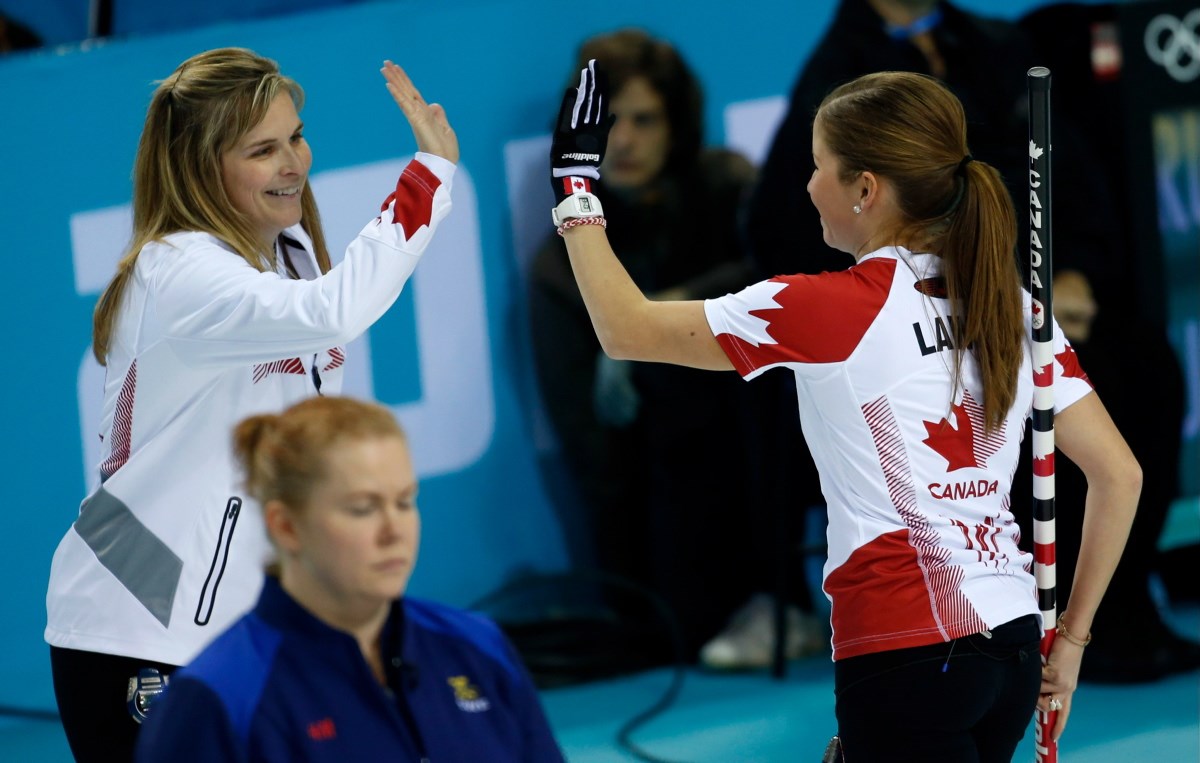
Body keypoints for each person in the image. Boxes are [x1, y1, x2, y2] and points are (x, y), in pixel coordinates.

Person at [548, 63, 1140, 760]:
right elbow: (1119, 475)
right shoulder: (1014, 307)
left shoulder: (826, 308)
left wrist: (575, 189)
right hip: (1009, 645)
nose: (806, 186)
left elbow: (624, 328)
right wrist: (1069, 640)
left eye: (818, 166)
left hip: (905, 650)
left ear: (865, 189)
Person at [45, 48, 458, 762]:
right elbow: (338, 310)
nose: (293, 162)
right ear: (203, 167)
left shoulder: (285, 251)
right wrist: (428, 176)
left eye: (295, 137)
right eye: (262, 150)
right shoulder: (179, 272)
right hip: (138, 630)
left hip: (240, 627)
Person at [528, 28, 823, 668]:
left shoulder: (730, 188)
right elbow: (587, 436)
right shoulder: (561, 260)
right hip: (655, 490)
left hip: (763, 448)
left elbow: (782, 278)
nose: (624, 141)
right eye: (607, 123)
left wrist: (658, 316)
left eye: (645, 119)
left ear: (677, 122)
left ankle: (782, 597)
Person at [133, 396, 565, 761]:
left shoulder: (479, 647)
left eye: (404, 502)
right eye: (363, 508)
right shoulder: (218, 698)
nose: (393, 531)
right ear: (285, 526)